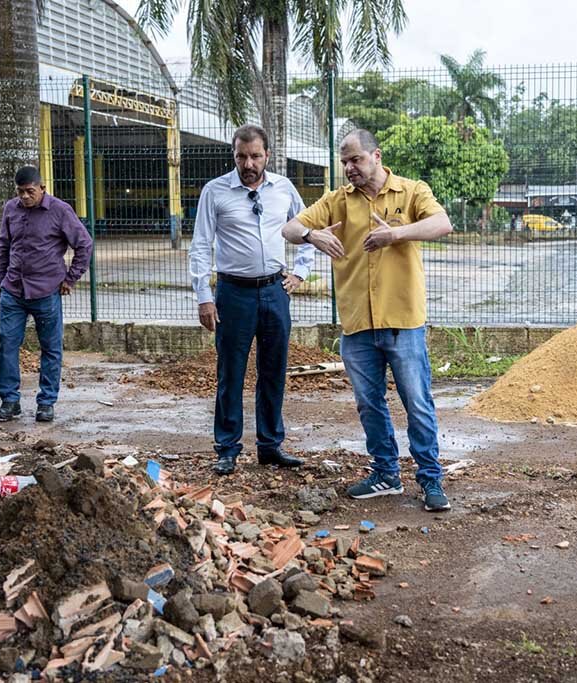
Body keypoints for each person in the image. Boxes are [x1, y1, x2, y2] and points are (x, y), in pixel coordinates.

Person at [282, 129, 453, 512]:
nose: (349, 168)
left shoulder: (411, 191)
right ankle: (386, 474)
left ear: (375, 156)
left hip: (402, 321)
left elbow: (442, 224)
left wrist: (397, 234)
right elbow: (289, 228)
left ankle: (430, 479)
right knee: (369, 404)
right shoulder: (338, 201)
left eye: (355, 159)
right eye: (344, 161)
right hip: (357, 324)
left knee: (418, 403)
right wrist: (312, 236)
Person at [189, 124, 316, 475]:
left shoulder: (284, 189)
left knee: (273, 370)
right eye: (242, 156)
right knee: (231, 371)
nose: (249, 163)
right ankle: (227, 448)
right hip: (233, 294)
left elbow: (306, 229)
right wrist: (204, 296)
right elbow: (201, 245)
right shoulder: (215, 192)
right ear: (234, 155)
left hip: (275, 291)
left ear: (267, 156)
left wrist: (300, 272)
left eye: (255, 156)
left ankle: (270, 445)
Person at [0, 165, 92, 423]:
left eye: (30, 191)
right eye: (20, 192)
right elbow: (4, 245)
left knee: (50, 349)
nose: (25, 197)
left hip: (47, 291)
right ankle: (10, 400)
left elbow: (84, 244)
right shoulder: (11, 209)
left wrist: (71, 278)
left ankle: (46, 402)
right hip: (13, 290)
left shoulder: (59, 211)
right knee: (7, 345)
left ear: (42, 188)